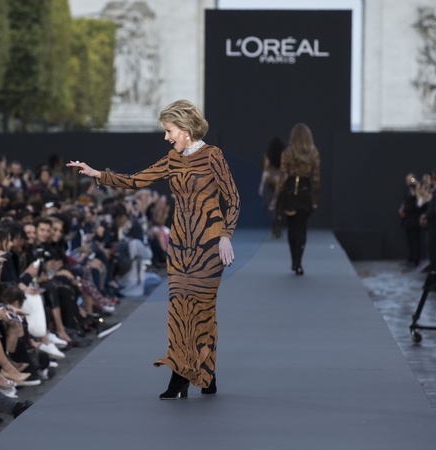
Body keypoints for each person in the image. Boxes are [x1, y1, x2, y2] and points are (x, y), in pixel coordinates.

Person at [67, 99, 240, 399]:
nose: (166, 137)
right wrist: (98, 175)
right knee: (178, 311)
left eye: (169, 131)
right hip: (180, 246)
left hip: (209, 246)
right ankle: (179, 376)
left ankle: (206, 372)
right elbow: (136, 180)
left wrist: (226, 235)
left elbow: (233, 199)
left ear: (185, 129)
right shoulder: (172, 160)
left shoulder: (213, 155)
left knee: (202, 312)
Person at [271, 123, 320, 276]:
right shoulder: (313, 153)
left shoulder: (287, 152)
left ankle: (294, 260)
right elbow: (316, 179)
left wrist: (276, 196)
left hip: (290, 192)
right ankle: (298, 262)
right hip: (305, 191)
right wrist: (315, 199)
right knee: (302, 228)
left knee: (292, 228)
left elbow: (283, 176)